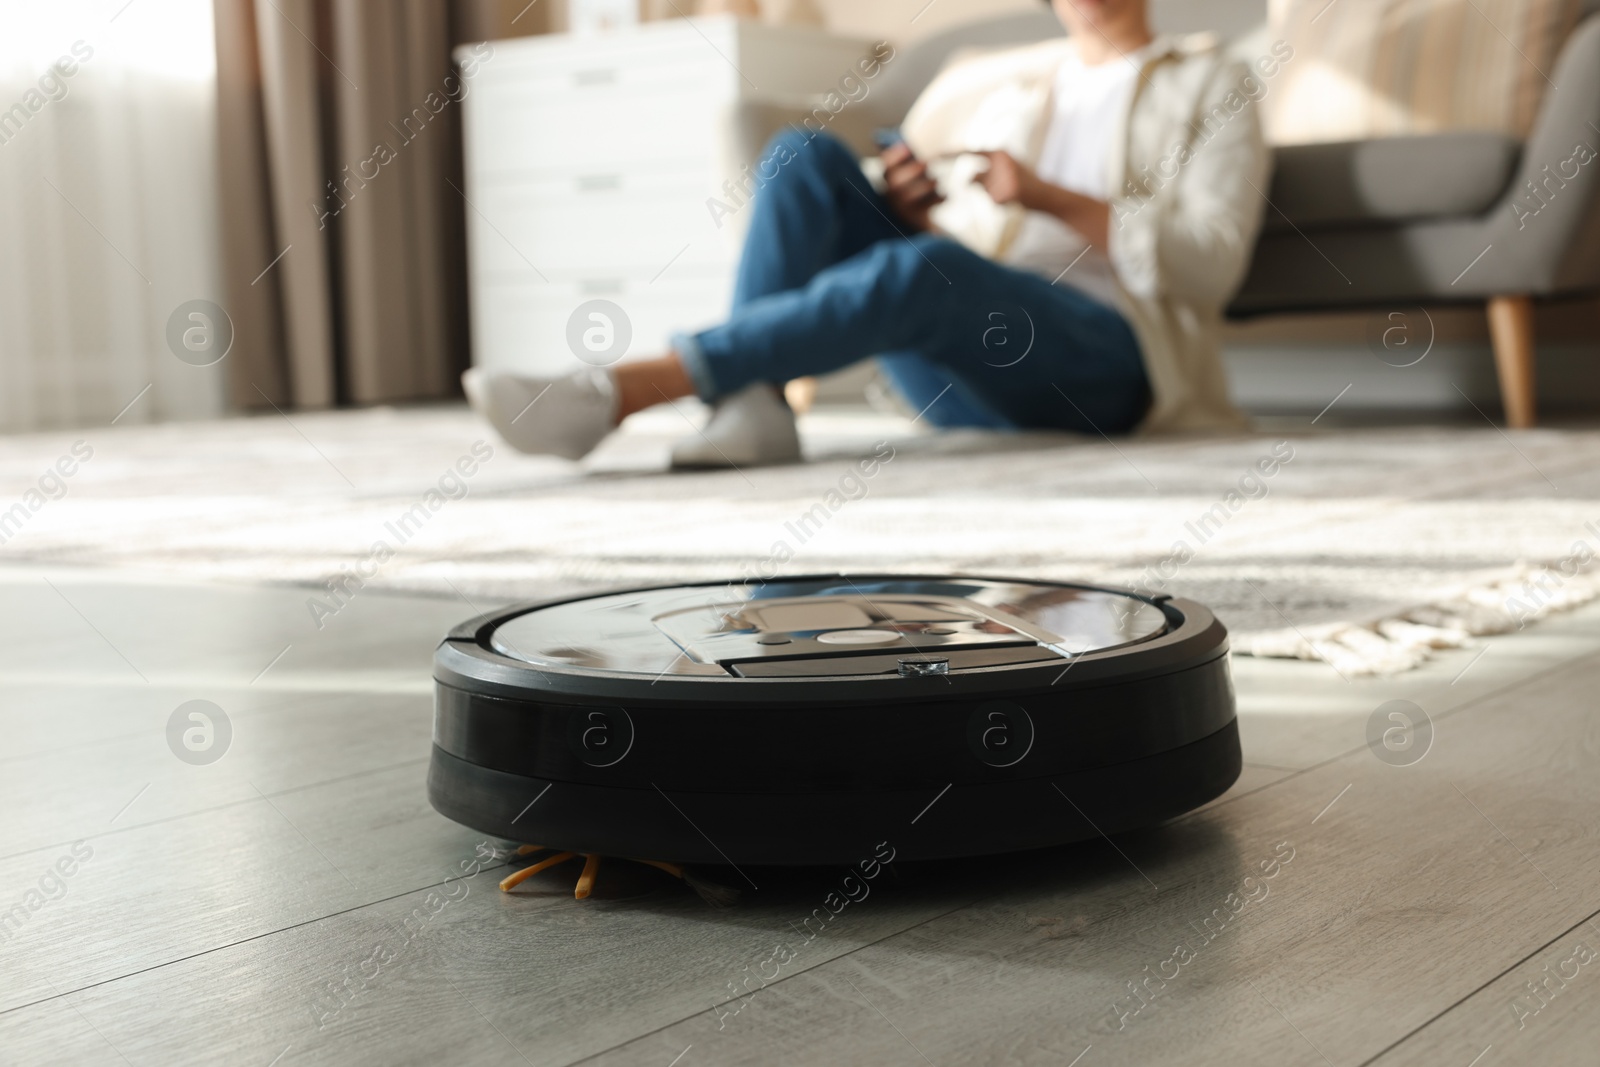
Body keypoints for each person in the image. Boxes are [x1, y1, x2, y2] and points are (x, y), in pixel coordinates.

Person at [464, 0, 1269, 467]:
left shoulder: (1214, 78)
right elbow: (967, 252)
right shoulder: (1023, 91)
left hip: (1115, 364)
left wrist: (1052, 197)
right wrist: (920, 212)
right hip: (970, 354)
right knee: (804, 153)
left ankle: (629, 388)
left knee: (927, 269)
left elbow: (1213, 266)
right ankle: (757, 404)